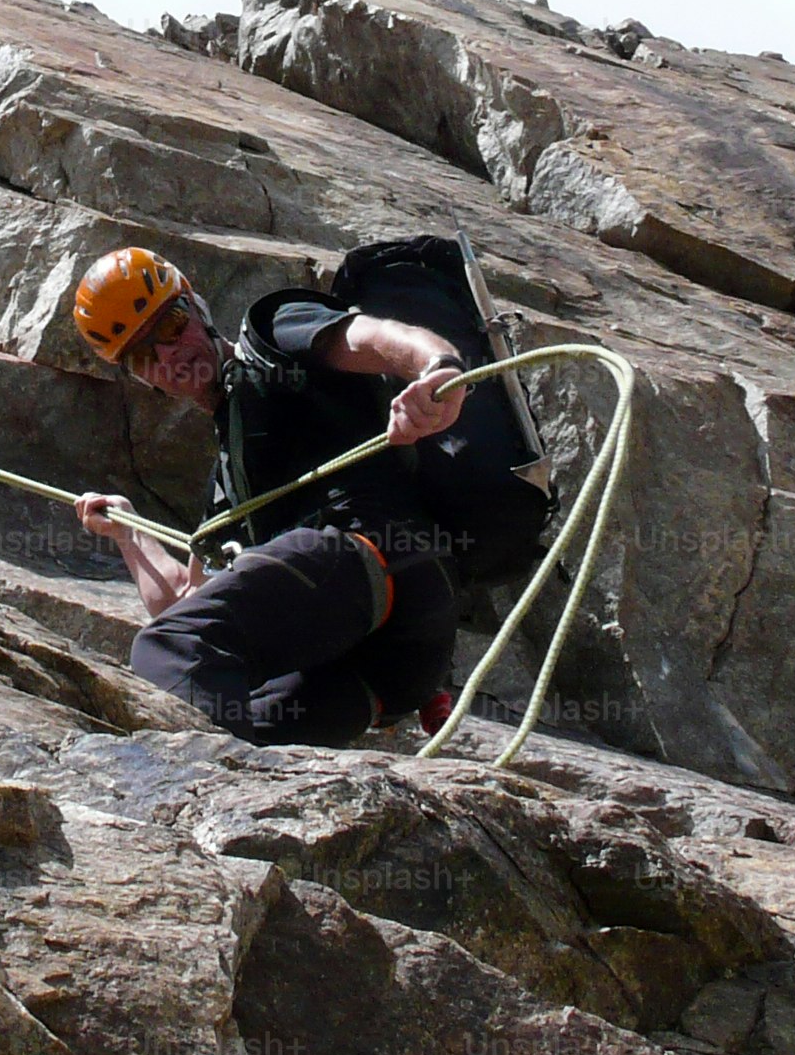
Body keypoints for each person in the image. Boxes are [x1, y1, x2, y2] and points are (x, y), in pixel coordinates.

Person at [68, 242, 540, 748]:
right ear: (141, 378)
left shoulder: (271, 335)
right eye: (142, 356)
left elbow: (375, 335)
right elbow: (187, 601)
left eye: (170, 325)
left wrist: (438, 369)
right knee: (241, 727)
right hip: (395, 667)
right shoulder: (228, 484)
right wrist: (128, 533)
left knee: (169, 653)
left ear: (198, 307)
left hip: (371, 557)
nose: (167, 354)